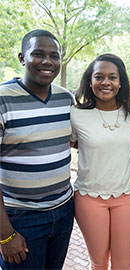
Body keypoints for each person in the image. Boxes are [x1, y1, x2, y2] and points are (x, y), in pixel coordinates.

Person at [0, 29, 75, 270]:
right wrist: (5, 235)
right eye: (38, 54)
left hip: (63, 212)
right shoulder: (3, 99)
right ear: (22, 58)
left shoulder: (66, 99)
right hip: (21, 218)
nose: (47, 61)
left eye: (54, 56)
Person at [70, 53, 130, 270]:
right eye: (99, 77)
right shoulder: (76, 114)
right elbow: (73, 143)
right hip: (89, 198)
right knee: (99, 264)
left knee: (123, 265)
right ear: (90, 81)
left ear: (121, 82)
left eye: (112, 77)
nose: (106, 82)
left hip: (126, 197)